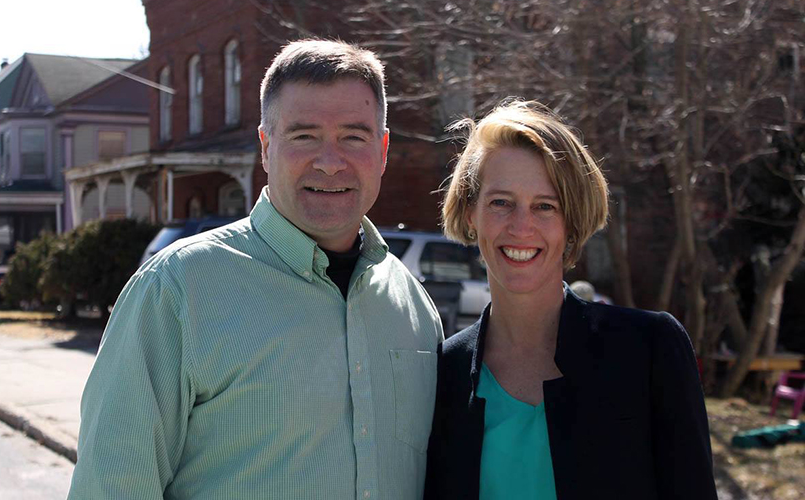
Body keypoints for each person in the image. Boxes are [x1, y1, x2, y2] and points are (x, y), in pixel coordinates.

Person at [69, 39, 443, 499]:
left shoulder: (414, 309)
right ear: (266, 148)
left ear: (382, 150)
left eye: (353, 136)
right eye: (304, 136)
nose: (330, 161)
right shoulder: (176, 292)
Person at [424, 100, 717, 499]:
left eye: (545, 206)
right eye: (500, 202)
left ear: (572, 222)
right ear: (471, 213)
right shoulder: (445, 372)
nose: (521, 225)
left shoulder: (649, 349)